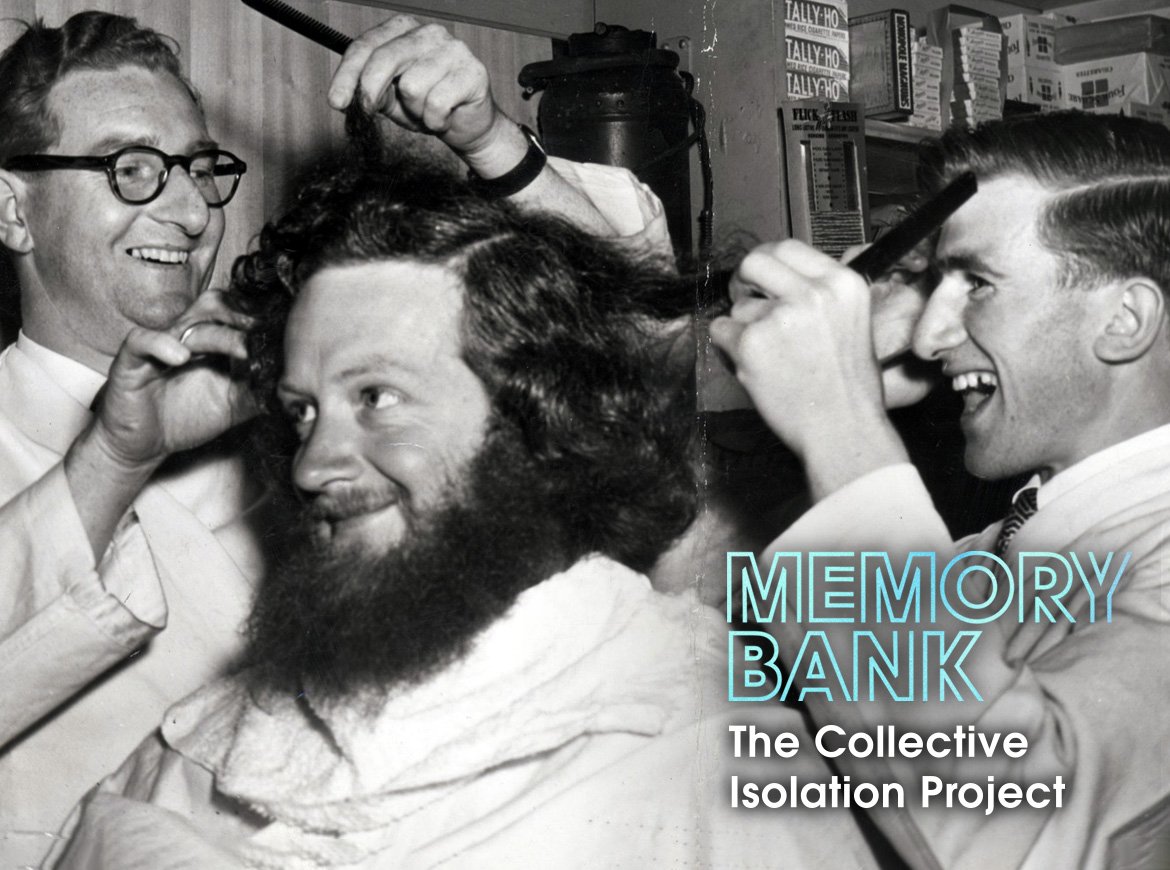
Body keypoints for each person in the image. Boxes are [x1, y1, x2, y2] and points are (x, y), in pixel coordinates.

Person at [44, 150, 878, 869]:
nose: (312, 463)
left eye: (377, 396)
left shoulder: (696, 750)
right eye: (303, 411)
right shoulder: (222, 731)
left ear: (533, 420)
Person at [0, 10, 668, 864]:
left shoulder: (315, 403)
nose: (192, 210)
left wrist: (492, 143)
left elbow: (631, 341)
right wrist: (116, 461)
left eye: (201, 170)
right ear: (14, 211)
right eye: (133, 169)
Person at [711, 110, 1170, 869]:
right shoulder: (1030, 533)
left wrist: (841, 427)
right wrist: (821, 426)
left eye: (978, 284)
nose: (928, 338)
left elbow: (1000, 816)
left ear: (1124, 319)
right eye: (935, 284)